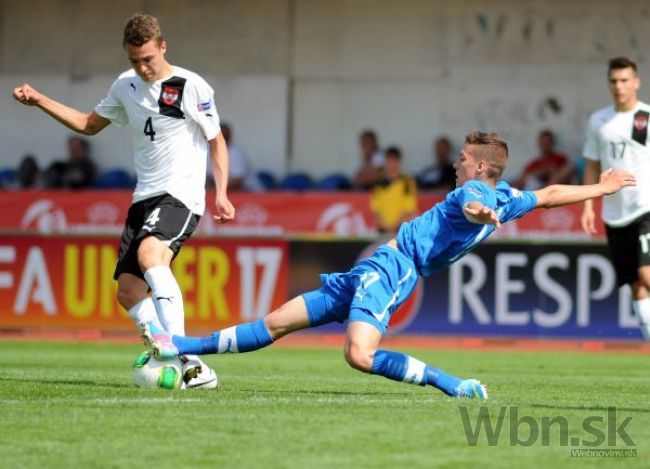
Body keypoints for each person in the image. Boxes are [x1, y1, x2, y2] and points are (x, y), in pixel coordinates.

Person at [141, 132, 635, 399]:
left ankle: (452, 384)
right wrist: (602, 187)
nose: (457, 164)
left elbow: (470, 202)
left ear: (481, 167)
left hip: (393, 268)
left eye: (463, 158)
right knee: (276, 322)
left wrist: (477, 210)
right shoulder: (508, 197)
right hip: (376, 266)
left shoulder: (478, 191)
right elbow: (548, 195)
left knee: (358, 355)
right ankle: (176, 346)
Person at [13, 13, 235, 388]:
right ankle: (160, 343)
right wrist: (39, 101)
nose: (143, 67)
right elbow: (88, 124)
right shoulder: (125, 86)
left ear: (162, 47)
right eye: (134, 60)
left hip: (181, 194)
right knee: (128, 292)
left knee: (151, 256)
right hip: (143, 198)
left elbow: (216, 140)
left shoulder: (189, 85)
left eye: (148, 58)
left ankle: (189, 359)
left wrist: (222, 192)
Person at [581, 56, 650, 340]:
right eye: (614, 81)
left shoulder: (646, 117)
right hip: (614, 214)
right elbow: (592, 166)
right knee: (636, 285)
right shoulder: (599, 120)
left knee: (647, 275)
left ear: (636, 82)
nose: (619, 86)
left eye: (624, 80)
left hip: (645, 207)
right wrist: (588, 205)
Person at [370, 146, 418, 234]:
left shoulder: (407, 182)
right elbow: (376, 209)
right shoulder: (379, 183)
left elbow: (409, 209)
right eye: (389, 160)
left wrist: (395, 226)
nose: (392, 164)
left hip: (401, 230)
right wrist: (383, 225)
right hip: (383, 231)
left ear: (399, 162)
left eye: (394, 160)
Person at [207, 122, 262, 191]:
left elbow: (238, 181)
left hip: (250, 191)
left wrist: (217, 190)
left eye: (225, 135)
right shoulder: (210, 150)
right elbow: (208, 176)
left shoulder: (235, 152)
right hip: (226, 191)